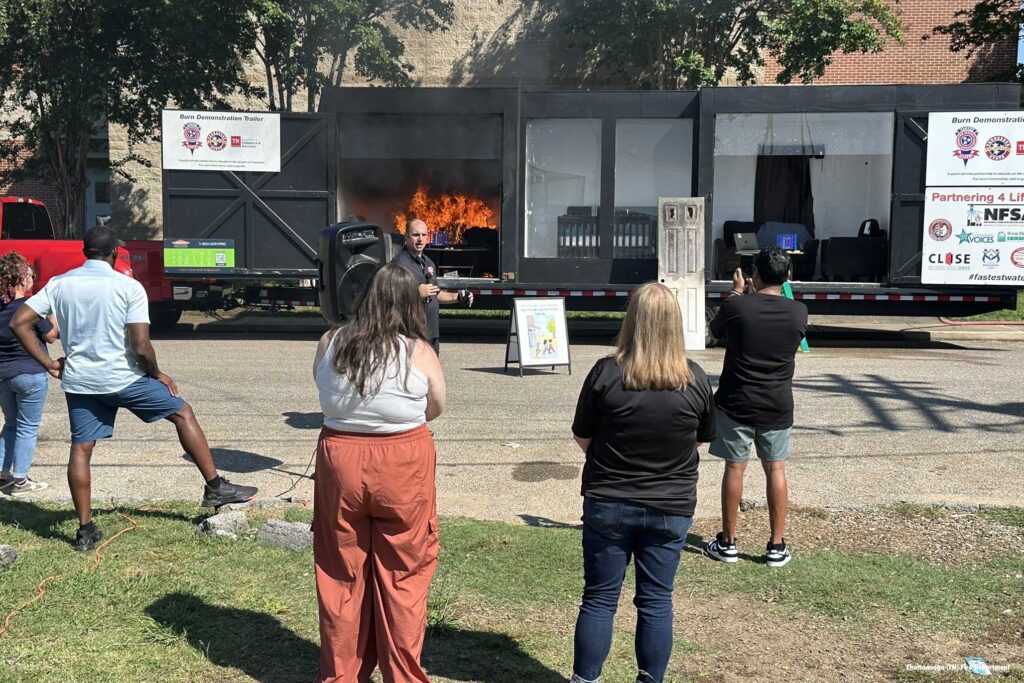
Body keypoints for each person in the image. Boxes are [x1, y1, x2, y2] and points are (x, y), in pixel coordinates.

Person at [10, 226, 257, 552]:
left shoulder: (60, 284)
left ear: (85, 252)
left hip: (81, 381)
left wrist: (48, 363)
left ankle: (85, 530)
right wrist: (157, 374)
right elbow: (140, 346)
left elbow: (19, 322)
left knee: (82, 449)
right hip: (123, 378)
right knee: (182, 412)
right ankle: (215, 487)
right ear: (113, 252)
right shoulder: (128, 287)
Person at [570, 282, 715, 683]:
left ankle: (585, 679)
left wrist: (612, 461)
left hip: (608, 500)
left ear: (631, 321)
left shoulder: (605, 373)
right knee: (655, 601)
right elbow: (702, 438)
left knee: (599, 599)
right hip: (671, 505)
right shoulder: (696, 380)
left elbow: (583, 435)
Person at [312, 263, 446, 683]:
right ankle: (402, 675)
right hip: (403, 462)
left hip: (341, 459)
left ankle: (341, 674)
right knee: (404, 573)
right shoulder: (418, 351)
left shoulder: (331, 340)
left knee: (341, 573)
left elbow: (321, 387)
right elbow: (436, 407)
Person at [703, 246, 808, 569]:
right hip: (777, 404)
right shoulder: (798, 312)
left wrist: (736, 294)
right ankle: (776, 546)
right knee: (775, 469)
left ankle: (728, 542)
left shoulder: (737, 308)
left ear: (754, 276)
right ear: (788, 276)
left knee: (735, 469)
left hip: (736, 401)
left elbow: (713, 334)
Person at [0, 253, 58, 495]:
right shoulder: (29, 308)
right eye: (32, 275)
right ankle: (21, 480)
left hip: (3, 376)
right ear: (23, 279)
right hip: (31, 374)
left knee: (10, 424)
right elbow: (50, 335)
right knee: (27, 427)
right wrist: (54, 310)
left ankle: (3, 475)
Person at [391, 218, 472, 355]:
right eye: (416, 235)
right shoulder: (399, 264)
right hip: (411, 333)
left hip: (431, 332)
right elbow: (391, 295)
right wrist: (416, 293)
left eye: (423, 235)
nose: (420, 239)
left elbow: (436, 294)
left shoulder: (428, 263)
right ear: (406, 237)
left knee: (432, 374)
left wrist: (458, 296)